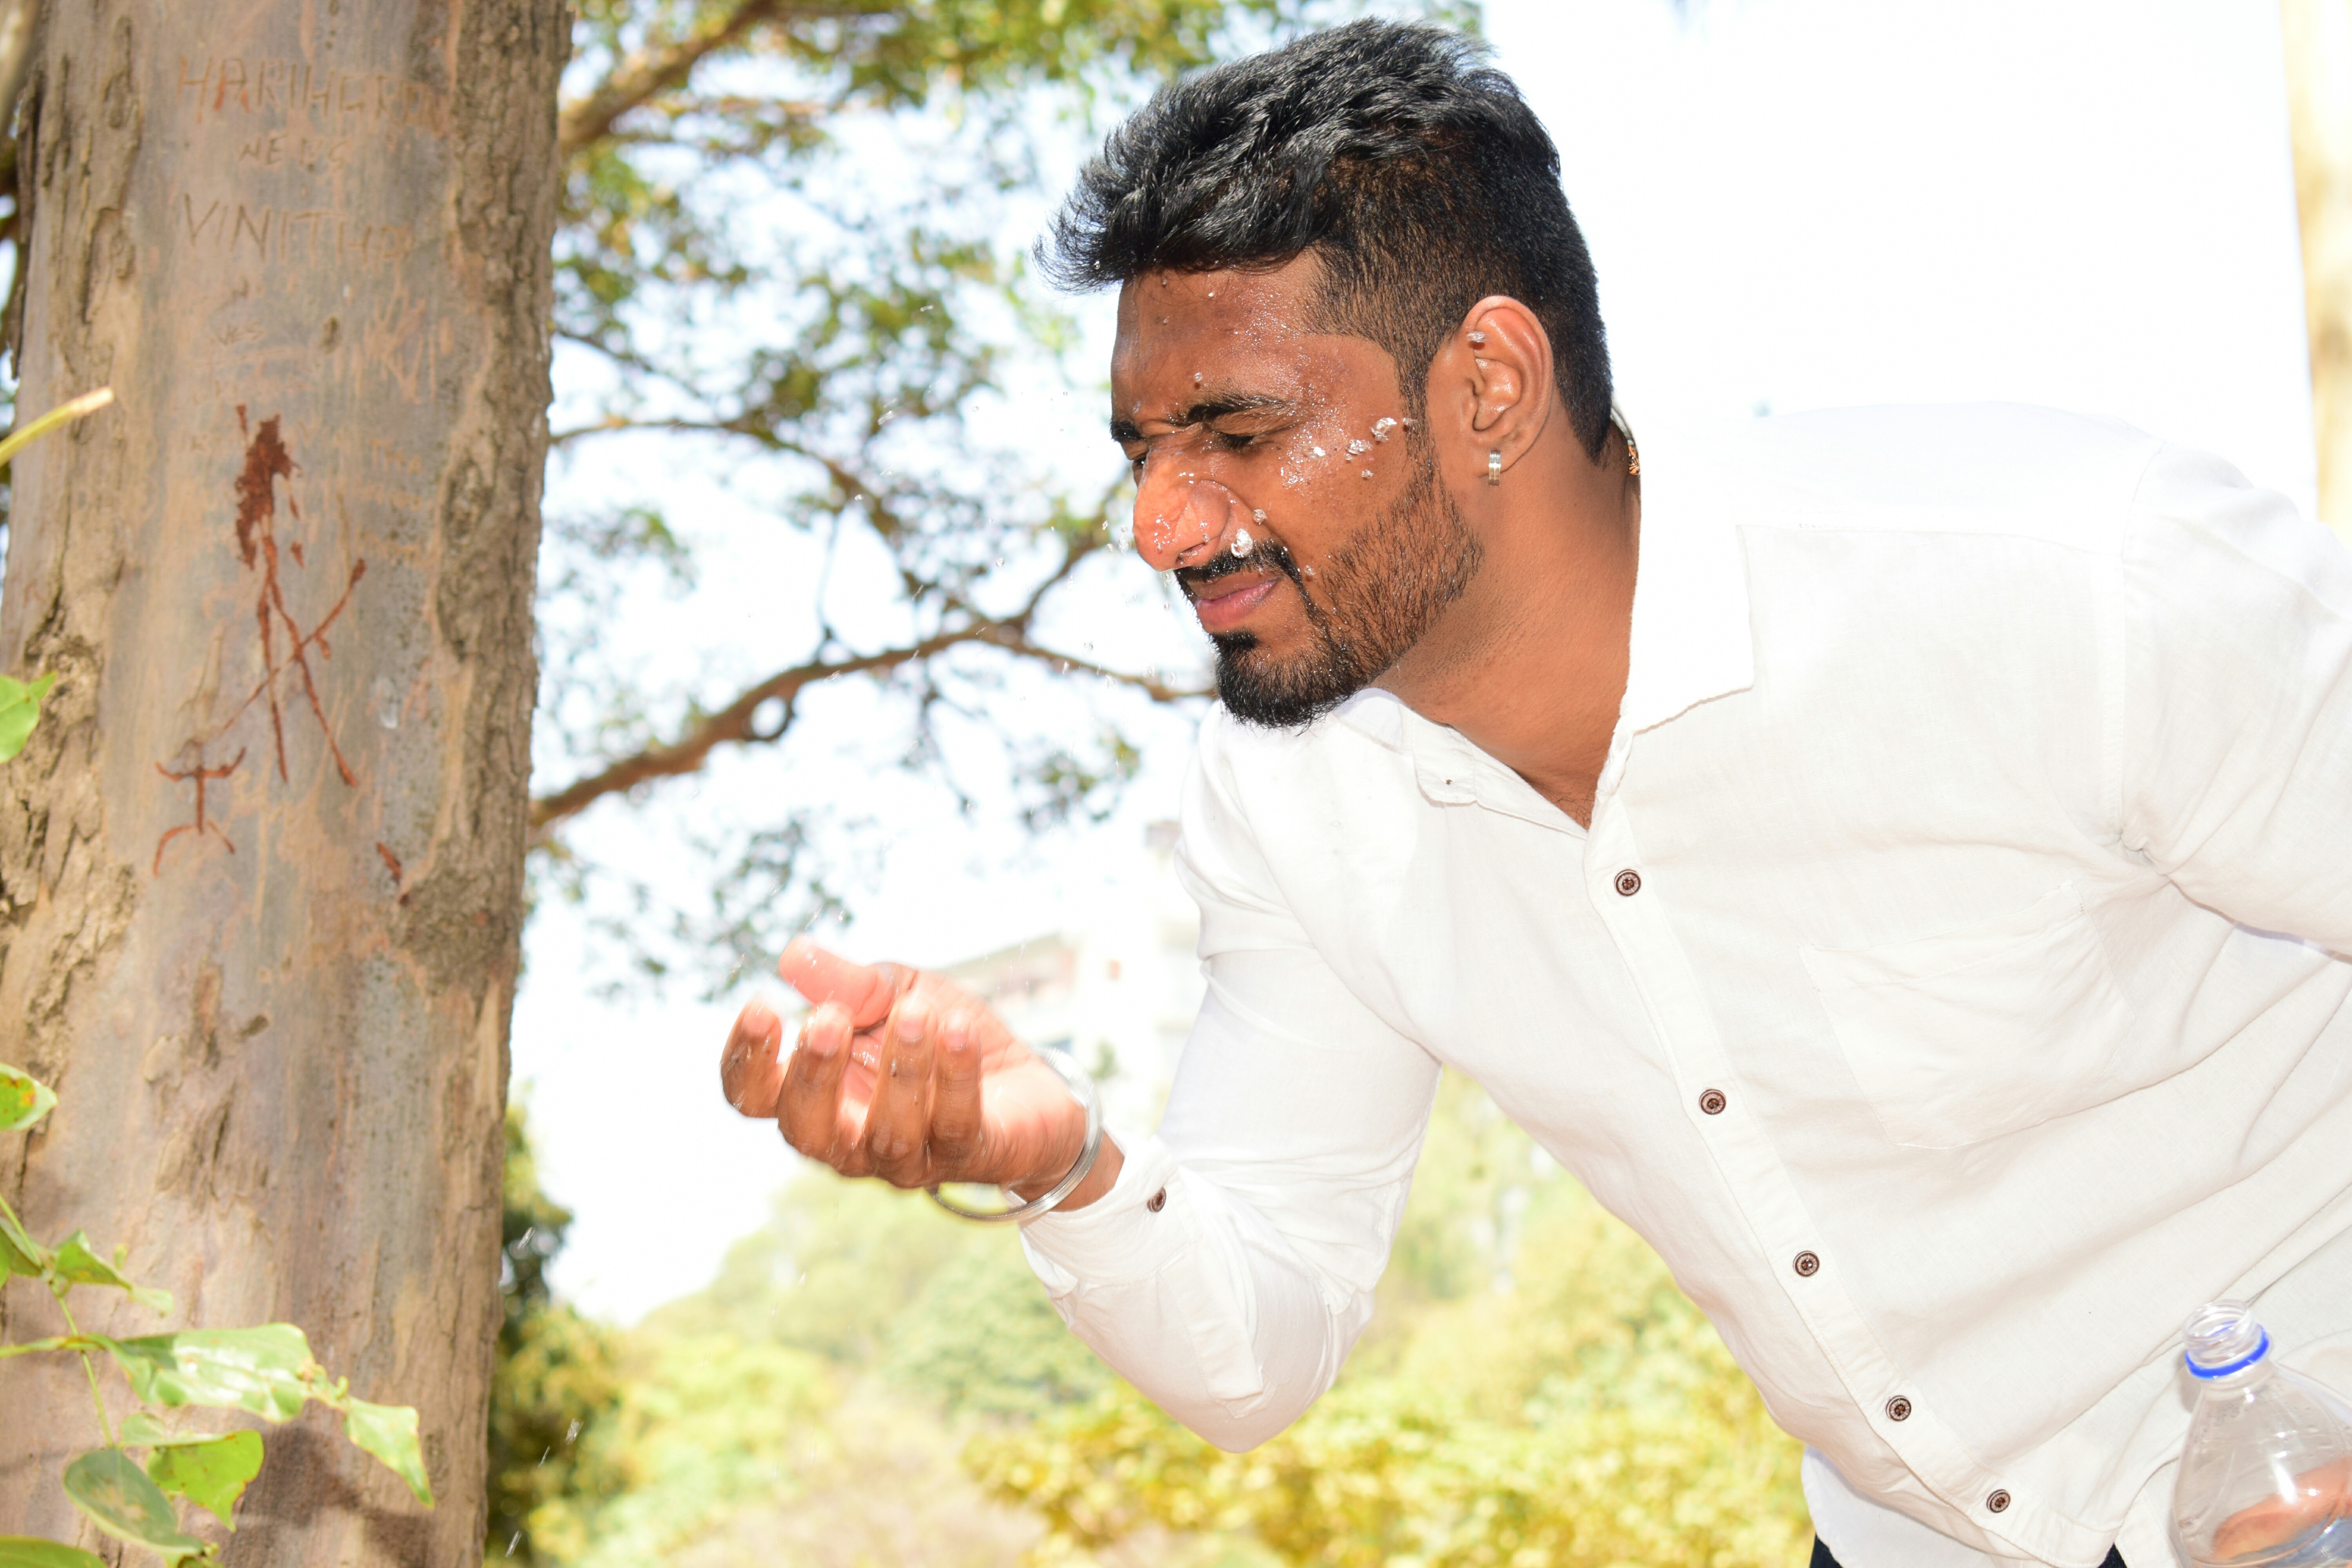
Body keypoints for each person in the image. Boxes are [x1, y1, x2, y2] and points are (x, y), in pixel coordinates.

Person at [718, 20, 2352, 1568]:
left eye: (1240, 431)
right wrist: (1061, 1159)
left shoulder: (2070, 577)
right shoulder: (1296, 801)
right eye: (1142, 448)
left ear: (1489, 386)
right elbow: (1258, 1345)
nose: (1163, 526)